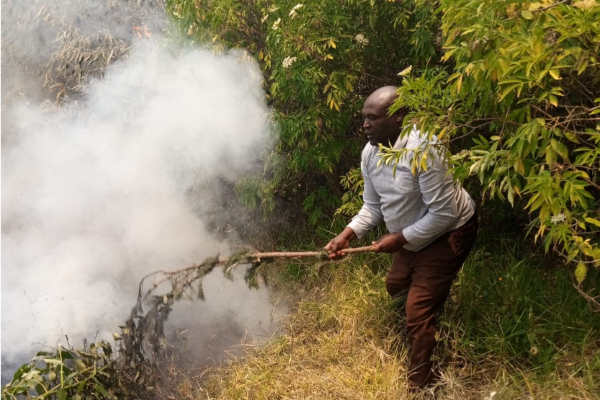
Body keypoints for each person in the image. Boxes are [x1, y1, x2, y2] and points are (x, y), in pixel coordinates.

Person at [325, 86, 478, 389]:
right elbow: (372, 206)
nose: (365, 125)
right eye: (364, 119)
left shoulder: (426, 150)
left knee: (417, 308)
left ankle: (421, 383)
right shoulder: (371, 154)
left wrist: (398, 239)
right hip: (410, 233)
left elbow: (444, 214)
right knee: (396, 285)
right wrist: (347, 235)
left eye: (373, 118)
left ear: (399, 118)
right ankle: (417, 333)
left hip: (451, 230)